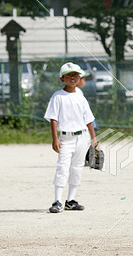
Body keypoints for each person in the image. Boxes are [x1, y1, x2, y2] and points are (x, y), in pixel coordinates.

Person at [44, 62, 98, 213]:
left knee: (77, 168)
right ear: (62, 79)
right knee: (62, 168)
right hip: (65, 138)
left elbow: (88, 119)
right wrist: (55, 138)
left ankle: (71, 200)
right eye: (69, 75)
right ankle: (57, 201)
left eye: (75, 75)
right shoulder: (58, 97)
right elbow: (53, 118)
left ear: (79, 77)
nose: (72, 78)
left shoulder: (80, 96)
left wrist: (94, 139)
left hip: (82, 137)